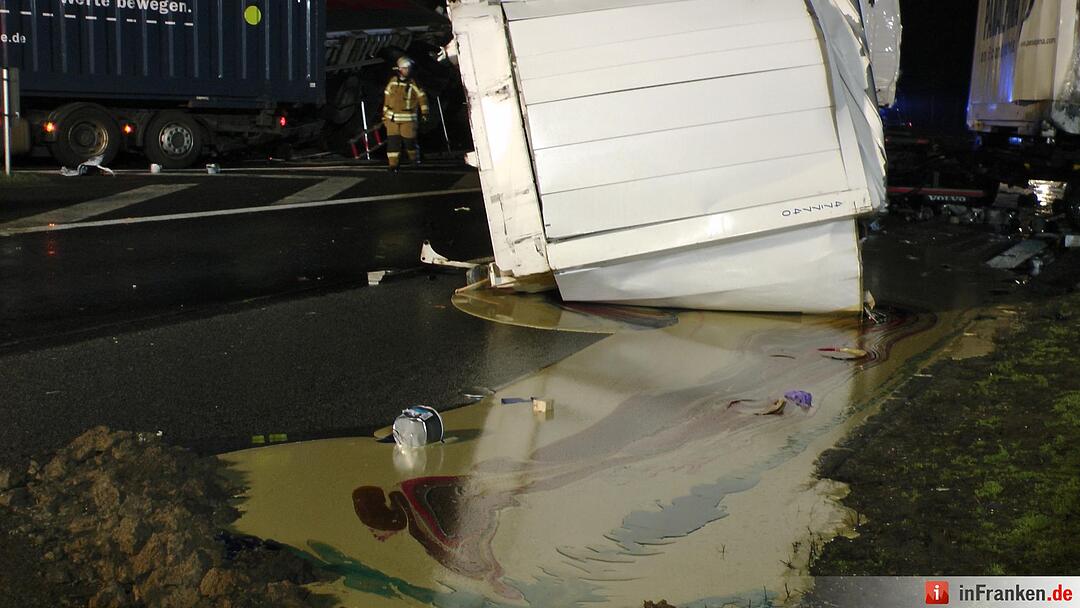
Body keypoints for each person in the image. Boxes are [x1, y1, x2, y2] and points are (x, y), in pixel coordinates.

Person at [382, 56, 430, 172]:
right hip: (392, 120)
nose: (406, 71)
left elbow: (422, 98)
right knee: (393, 144)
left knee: (410, 143)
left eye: (407, 68)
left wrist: (425, 113)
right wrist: (384, 115)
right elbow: (387, 98)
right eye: (404, 68)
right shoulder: (393, 82)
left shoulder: (414, 83)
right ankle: (393, 165)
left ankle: (414, 160)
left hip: (408, 120)